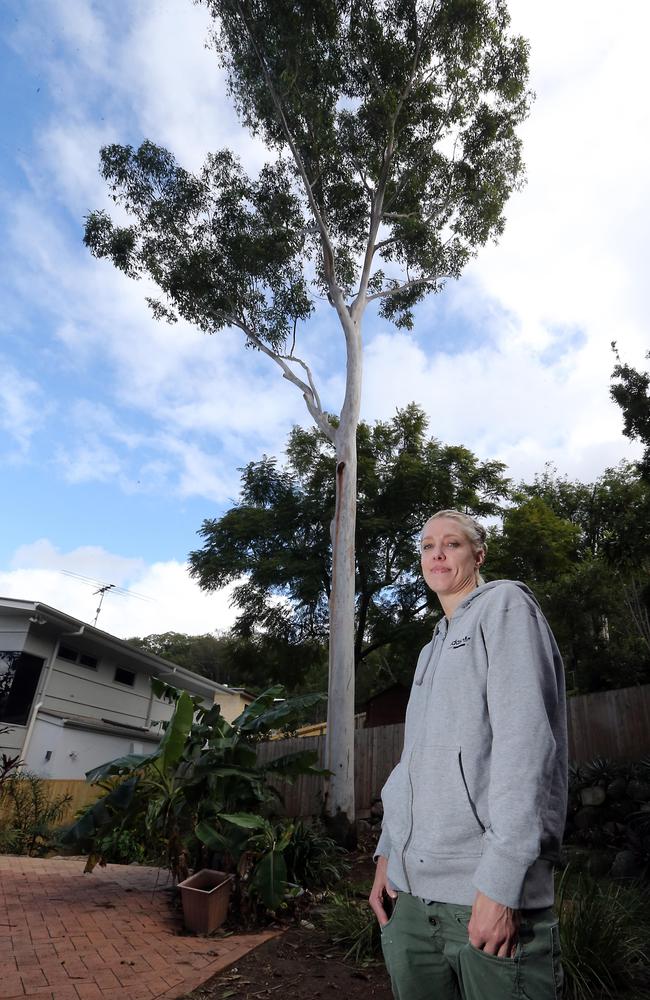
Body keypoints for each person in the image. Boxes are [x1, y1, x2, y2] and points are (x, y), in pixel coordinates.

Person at [369, 510, 567, 1000]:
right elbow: (410, 763)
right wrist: (386, 856)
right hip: (409, 899)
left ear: (478, 555)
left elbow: (527, 747)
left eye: (451, 543)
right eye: (426, 545)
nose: (437, 553)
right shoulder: (430, 648)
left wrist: (501, 886)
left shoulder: (504, 608)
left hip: (483, 895)